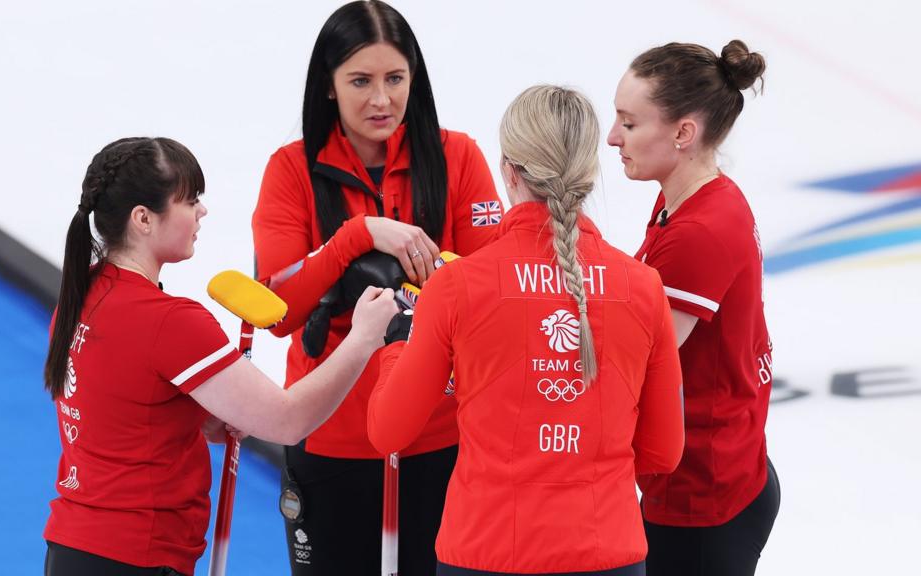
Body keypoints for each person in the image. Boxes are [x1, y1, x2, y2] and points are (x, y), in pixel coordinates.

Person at [367, 85, 686, 576]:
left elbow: (389, 431)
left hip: (484, 551)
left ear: (508, 172)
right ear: (588, 175)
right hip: (608, 553)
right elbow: (662, 454)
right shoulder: (643, 288)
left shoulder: (455, 286)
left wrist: (396, 347)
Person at [42, 137, 397, 576]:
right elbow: (288, 422)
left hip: (72, 549)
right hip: (138, 557)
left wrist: (199, 414)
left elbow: (122, 403)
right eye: (190, 201)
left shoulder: (81, 292)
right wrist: (363, 338)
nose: (201, 212)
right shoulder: (169, 321)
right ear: (143, 219)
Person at [251, 2, 503, 574]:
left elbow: (493, 296)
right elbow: (279, 309)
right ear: (329, 87)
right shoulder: (291, 170)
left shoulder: (457, 157)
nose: (381, 100)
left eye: (395, 79)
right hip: (330, 435)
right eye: (360, 81)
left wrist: (429, 281)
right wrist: (356, 237)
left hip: (440, 436)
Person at [607, 40, 780, 576]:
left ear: (684, 133)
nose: (612, 138)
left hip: (702, 501)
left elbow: (634, 362)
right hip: (716, 470)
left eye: (629, 124)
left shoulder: (699, 230)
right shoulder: (688, 198)